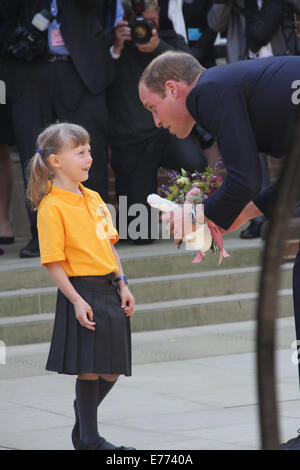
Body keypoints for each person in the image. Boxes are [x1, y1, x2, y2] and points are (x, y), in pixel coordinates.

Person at [138, 50, 300, 448]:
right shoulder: (232, 87)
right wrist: (232, 216)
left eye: (152, 107)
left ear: (173, 88)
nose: (155, 121)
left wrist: (198, 218)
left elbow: (244, 178)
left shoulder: (209, 90)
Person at [26, 122, 135, 450]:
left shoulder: (95, 198)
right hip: (81, 291)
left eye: (90, 151)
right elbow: (54, 263)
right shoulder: (51, 206)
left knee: (113, 368)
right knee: (90, 369)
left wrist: (123, 283)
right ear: (56, 161)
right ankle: (89, 439)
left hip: (109, 289)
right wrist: (74, 300)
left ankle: (83, 415)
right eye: (81, 152)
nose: (89, 158)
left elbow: (109, 247)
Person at [0, 0, 114, 258]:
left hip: (80, 66)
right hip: (28, 67)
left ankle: (93, 233)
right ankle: (43, 235)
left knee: (85, 152)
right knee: (35, 154)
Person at [108, 0, 208, 244]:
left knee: (194, 163)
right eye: (137, 19)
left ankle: (194, 221)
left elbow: (194, 72)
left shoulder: (168, 39)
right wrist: (116, 49)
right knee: (140, 234)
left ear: (159, 13)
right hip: (131, 141)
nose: (142, 26)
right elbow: (96, 80)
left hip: (165, 134)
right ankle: (138, 222)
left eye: (149, 18)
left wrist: (158, 47)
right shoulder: (114, 43)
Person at [207, 0, 300, 239]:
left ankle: (290, 206)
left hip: (284, 73)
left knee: (291, 141)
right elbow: (215, 23)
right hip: (245, 73)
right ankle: (257, 217)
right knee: (248, 146)